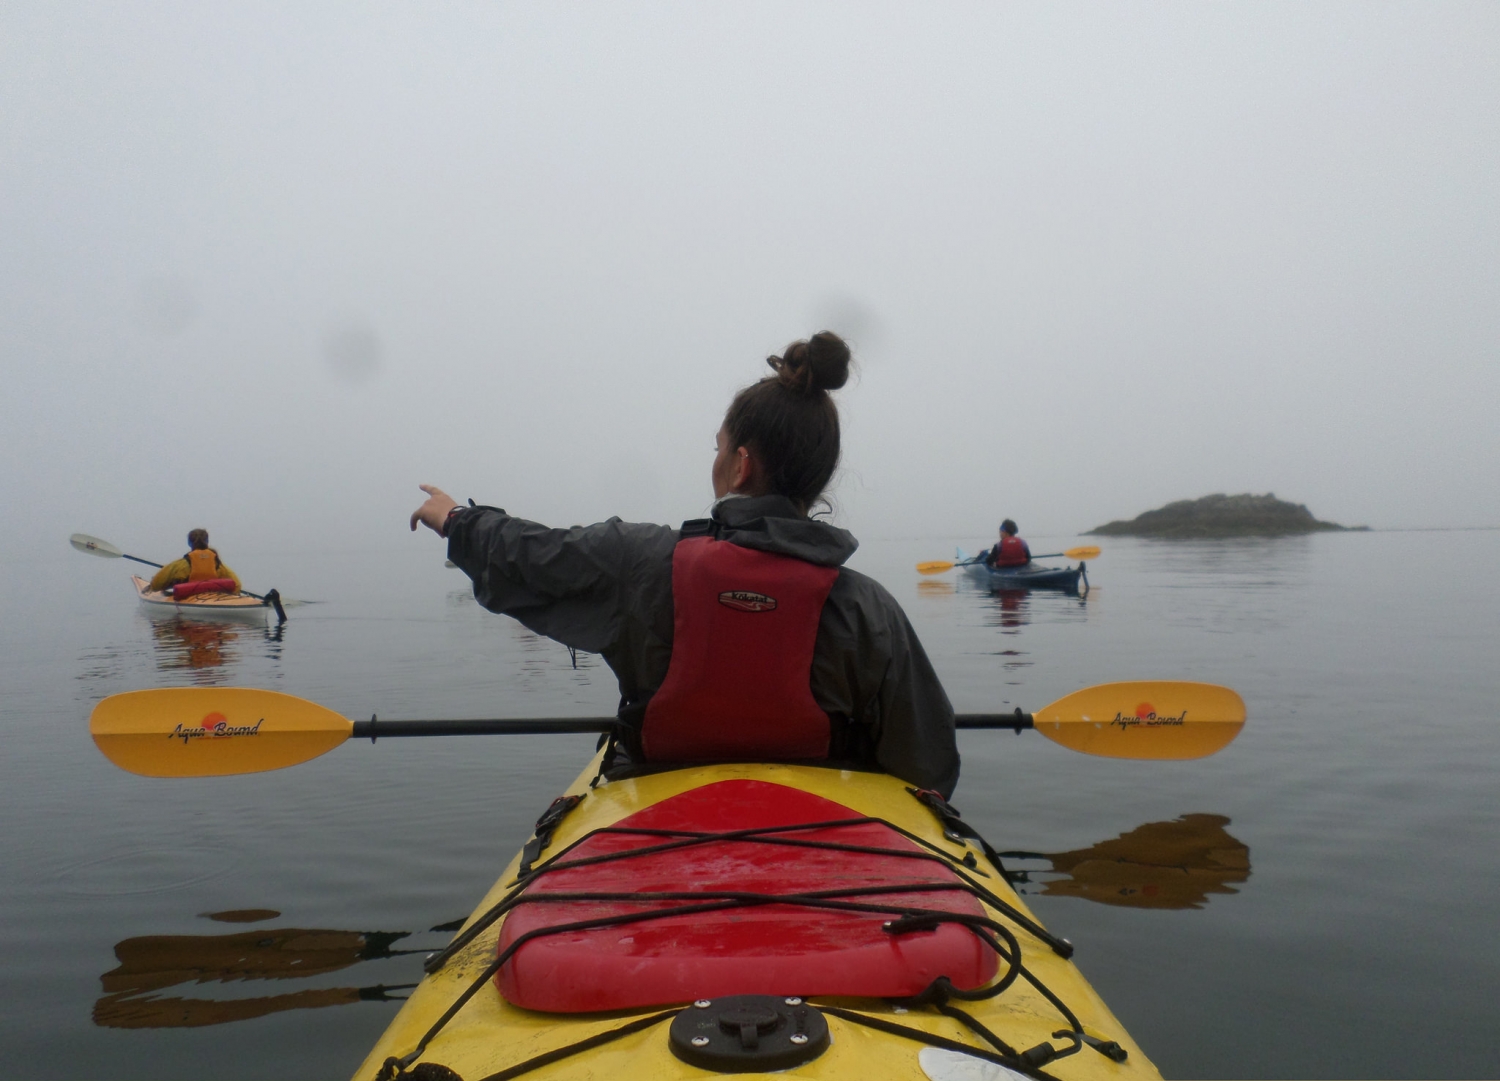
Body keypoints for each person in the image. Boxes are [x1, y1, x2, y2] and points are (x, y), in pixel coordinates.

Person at [410, 332, 960, 797]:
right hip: (813, 832)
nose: (714, 459)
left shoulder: (641, 562)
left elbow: (535, 555)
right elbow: (927, 763)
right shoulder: (868, 610)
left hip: (660, 820)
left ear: (740, 465)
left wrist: (457, 521)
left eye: (718, 447)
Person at [148, 529, 242, 594]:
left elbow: (157, 584)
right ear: (207, 541)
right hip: (213, 599)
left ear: (189, 543)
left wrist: (152, 587)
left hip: (187, 600)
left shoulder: (181, 565)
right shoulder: (218, 564)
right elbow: (237, 585)